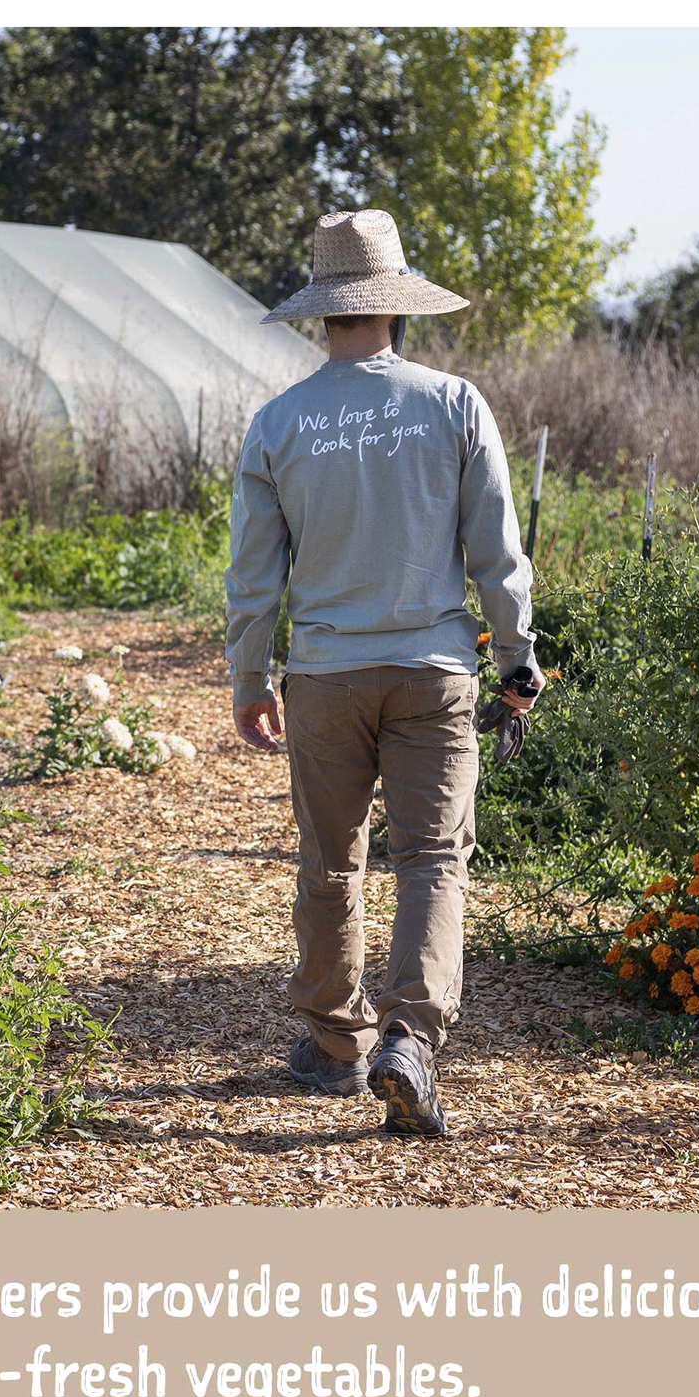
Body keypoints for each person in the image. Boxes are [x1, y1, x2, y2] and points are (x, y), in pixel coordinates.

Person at [224, 208, 541, 1137]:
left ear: (322, 313)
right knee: (433, 858)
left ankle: (335, 1044)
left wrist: (251, 677)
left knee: (331, 860)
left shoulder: (279, 422)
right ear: (398, 306)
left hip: (325, 676)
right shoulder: (454, 404)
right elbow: (498, 553)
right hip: (433, 672)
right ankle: (409, 1040)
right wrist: (516, 657)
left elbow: (253, 575)